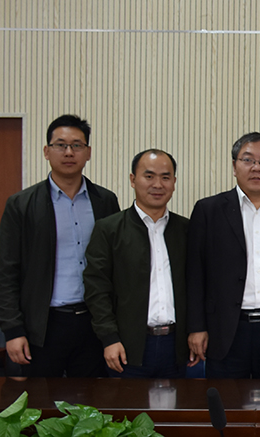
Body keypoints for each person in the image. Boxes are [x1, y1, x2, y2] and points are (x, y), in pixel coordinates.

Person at [0, 114, 120, 377]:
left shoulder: (105, 201)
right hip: (44, 325)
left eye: (77, 145)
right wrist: (13, 330)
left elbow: (115, 265)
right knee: (41, 399)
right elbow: (6, 272)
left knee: (92, 398)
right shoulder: (21, 204)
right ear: (46, 151)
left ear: (88, 153)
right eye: (60, 145)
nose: (69, 152)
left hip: (93, 323)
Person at [186, 132, 260, 378]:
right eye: (248, 160)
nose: (257, 167)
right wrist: (196, 327)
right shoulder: (209, 210)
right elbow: (195, 273)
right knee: (227, 399)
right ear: (234, 166)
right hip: (225, 329)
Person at [84, 149, 191, 378]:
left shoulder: (186, 230)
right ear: (133, 180)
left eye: (165, 177)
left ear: (174, 182)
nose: (158, 184)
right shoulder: (109, 229)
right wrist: (109, 338)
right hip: (126, 347)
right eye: (149, 176)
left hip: (176, 346)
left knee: (176, 402)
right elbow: (96, 289)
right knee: (128, 403)